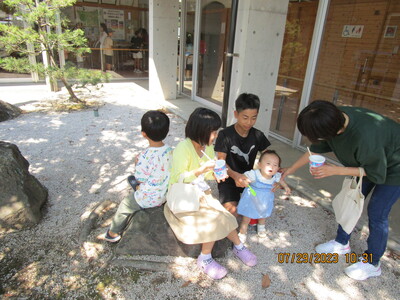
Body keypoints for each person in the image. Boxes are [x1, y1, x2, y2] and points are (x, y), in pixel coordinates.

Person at [282, 100, 400, 281]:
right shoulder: (330, 118)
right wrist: (290, 170)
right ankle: (341, 242)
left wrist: (336, 170)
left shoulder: (365, 137)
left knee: (377, 212)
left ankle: (372, 262)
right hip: (369, 160)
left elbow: (376, 173)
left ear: (331, 133)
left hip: (394, 167)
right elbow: (314, 150)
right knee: (350, 199)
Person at [164, 107, 257, 280]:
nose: (215, 136)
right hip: (183, 195)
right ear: (200, 130)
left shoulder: (206, 146)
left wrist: (214, 174)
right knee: (212, 220)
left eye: (216, 131)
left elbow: (207, 173)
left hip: (200, 192)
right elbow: (178, 178)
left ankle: (238, 246)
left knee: (226, 216)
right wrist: (201, 170)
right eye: (213, 132)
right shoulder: (183, 148)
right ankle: (205, 258)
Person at [104, 110, 173, 242]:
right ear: (167, 131)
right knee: (132, 180)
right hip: (165, 193)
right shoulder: (171, 151)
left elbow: (141, 178)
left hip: (149, 197)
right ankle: (136, 188)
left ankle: (112, 233)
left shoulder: (144, 156)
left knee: (125, 204)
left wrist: (137, 164)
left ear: (144, 134)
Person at [215, 93, 271, 216]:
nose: (249, 122)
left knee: (261, 208)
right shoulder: (225, 135)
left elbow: (269, 157)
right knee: (233, 212)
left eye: (254, 118)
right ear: (236, 114)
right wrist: (235, 176)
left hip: (249, 179)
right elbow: (221, 162)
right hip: (229, 179)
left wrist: (274, 174)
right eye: (245, 117)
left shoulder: (258, 135)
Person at [237, 150, 291, 242]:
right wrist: (244, 181)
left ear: (278, 168)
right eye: (268, 163)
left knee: (263, 215)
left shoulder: (275, 176)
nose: (271, 167)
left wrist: (286, 187)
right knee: (247, 217)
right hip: (252, 199)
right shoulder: (254, 174)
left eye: (275, 165)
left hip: (265, 200)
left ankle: (261, 228)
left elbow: (281, 180)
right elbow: (243, 177)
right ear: (260, 164)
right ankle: (242, 232)